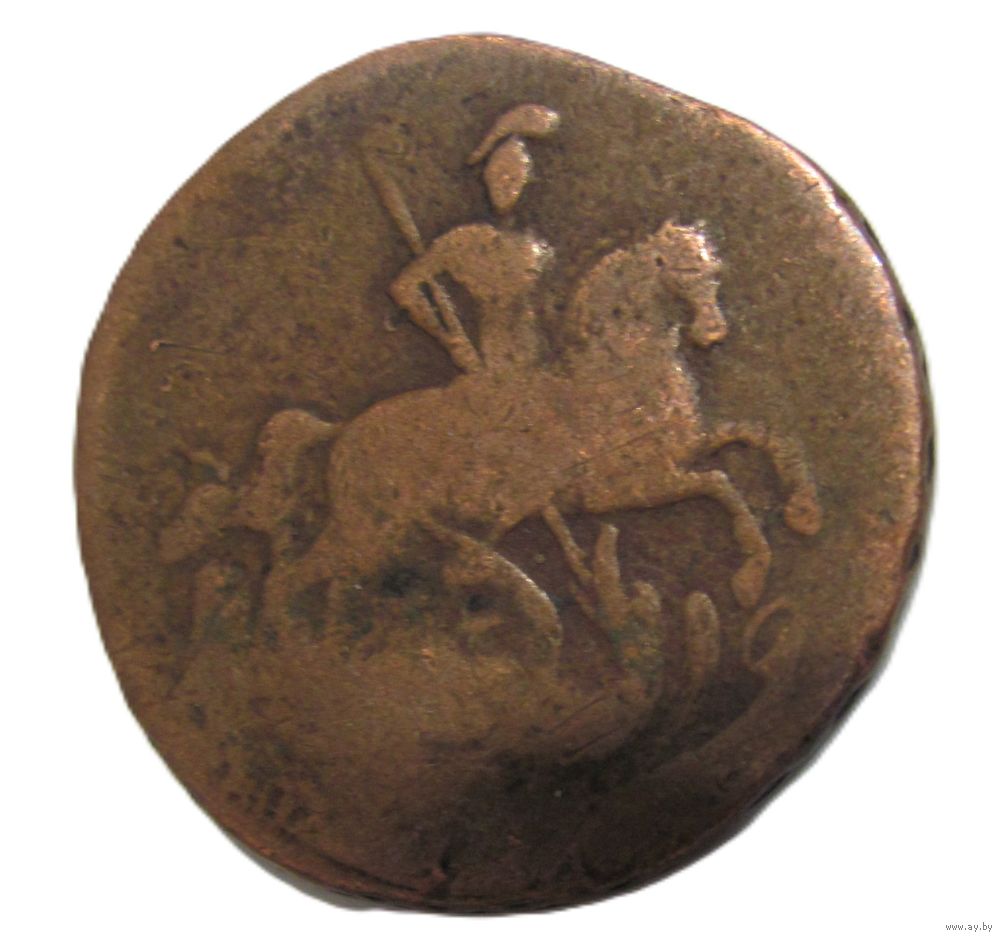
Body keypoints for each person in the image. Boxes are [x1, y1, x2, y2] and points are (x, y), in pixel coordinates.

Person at [388, 104, 559, 374]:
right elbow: (404, 287)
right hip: (491, 359)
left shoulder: (536, 244)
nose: (506, 183)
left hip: (544, 359)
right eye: (498, 174)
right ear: (486, 177)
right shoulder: (466, 240)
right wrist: (449, 340)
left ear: (530, 179)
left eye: (514, 175)